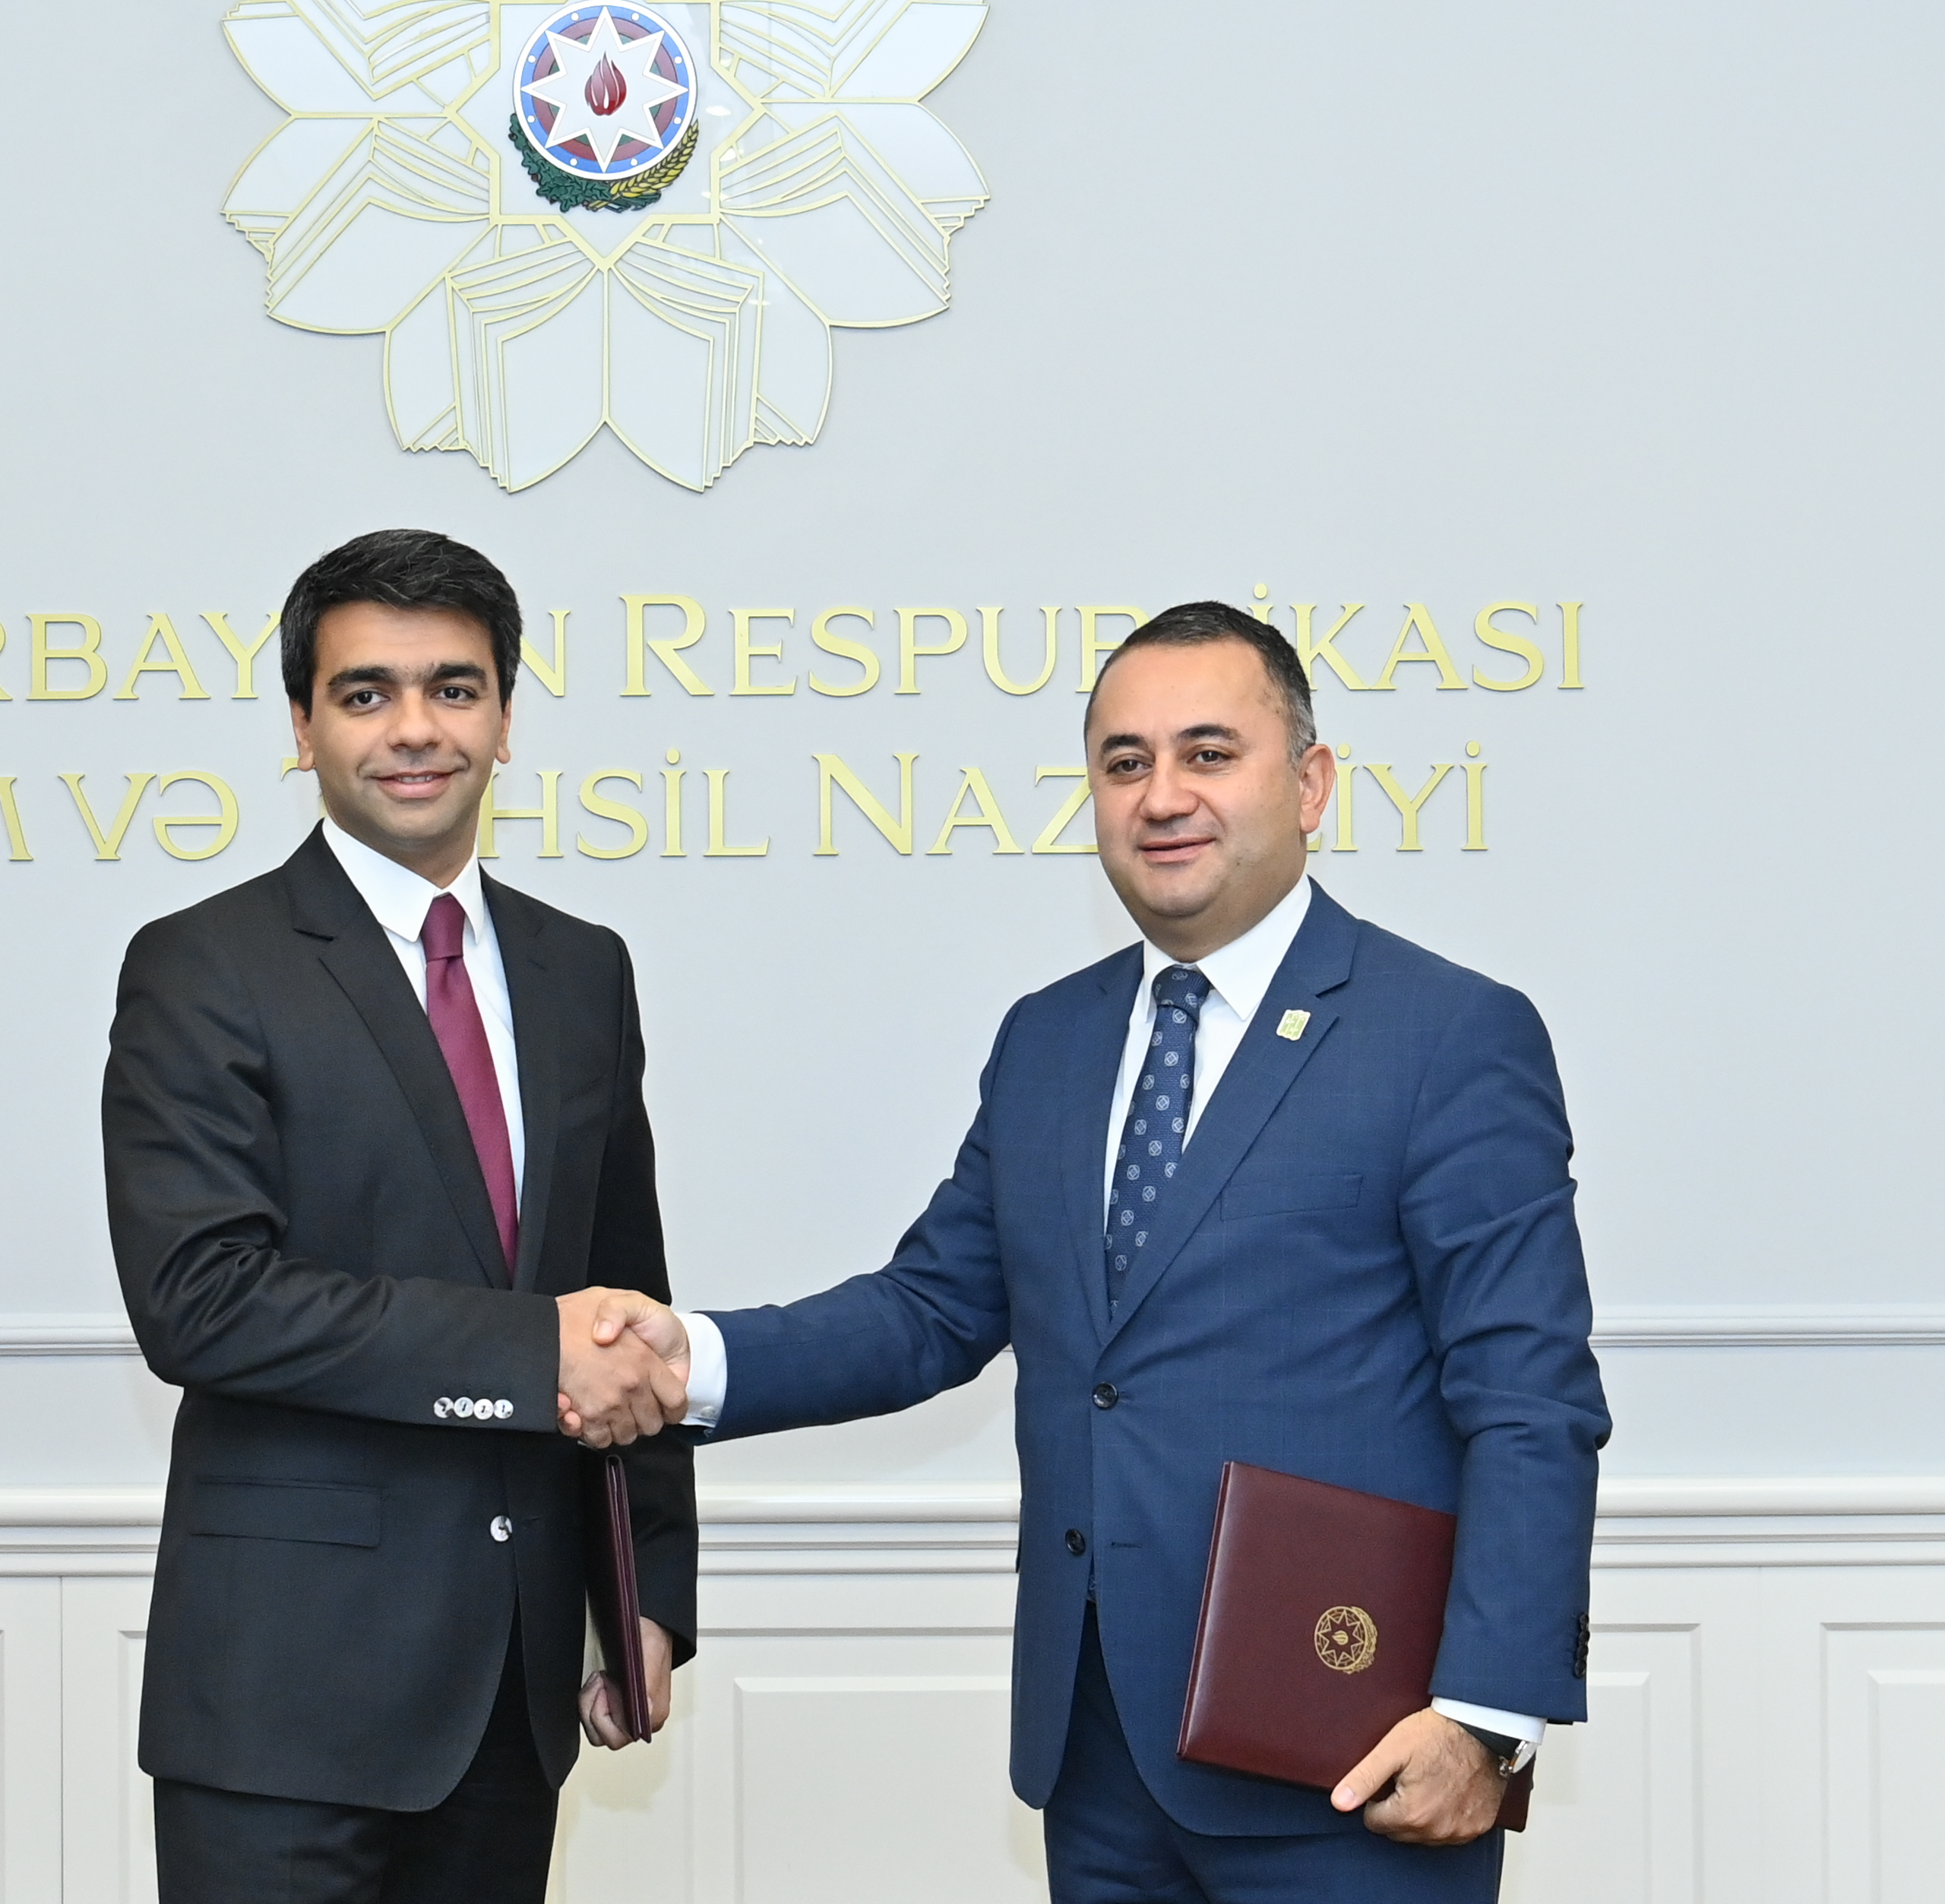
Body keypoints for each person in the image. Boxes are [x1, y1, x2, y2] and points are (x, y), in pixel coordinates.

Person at [579, 601, 1608, 1903]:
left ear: (1309, 783)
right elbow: (930, 1309)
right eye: (1125, 762)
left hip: (1352, 1747)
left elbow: (1528, 1396)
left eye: (1207, 753)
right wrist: (688, 1358)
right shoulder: (1047, 1040)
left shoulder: (1448, 1033)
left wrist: (1486, 1716)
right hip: (1099, 1758)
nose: (1161, 795)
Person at [103, 527, 695, 1904]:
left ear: (505, 719)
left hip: (512, 1691)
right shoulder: (201, 965)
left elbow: (626, 1296)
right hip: (281, 1704)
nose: (414, 728)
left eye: (453, 687)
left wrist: (641, 1591)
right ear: (301, 725)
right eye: (365, 692)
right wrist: (529, 1351)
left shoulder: (582, 970)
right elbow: (201, 1299)